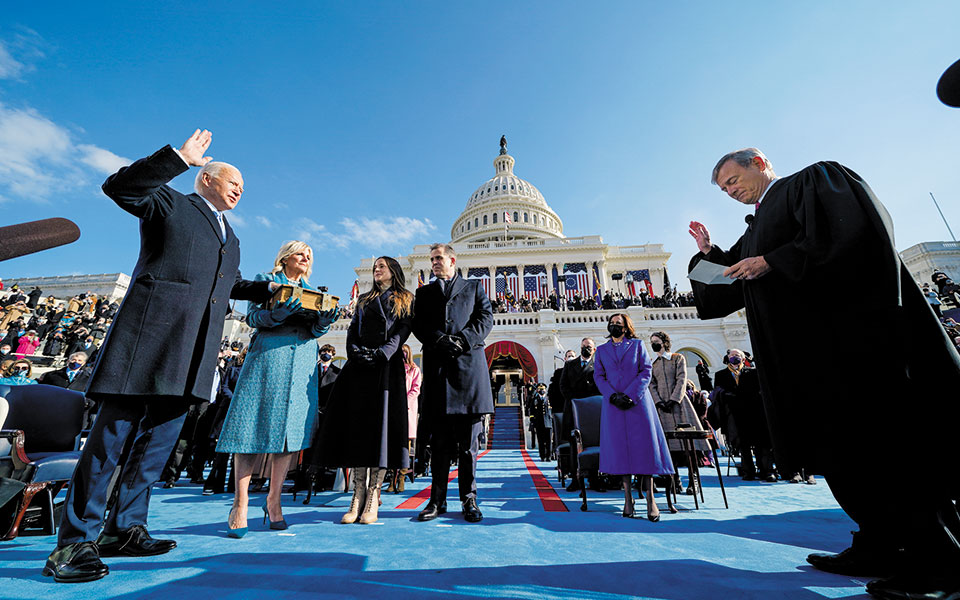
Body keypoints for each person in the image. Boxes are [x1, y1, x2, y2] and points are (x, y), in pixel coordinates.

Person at [688, 147, 960, 598]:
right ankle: (878, 544)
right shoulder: (755, 229)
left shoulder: (814, 182)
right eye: (723, 189)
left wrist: (774, 261)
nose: (730, 192)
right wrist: (711, 255)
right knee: (843, 458)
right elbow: (726, 289)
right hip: (804, 364)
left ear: (758, 161)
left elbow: (858, 237)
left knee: (886, 456)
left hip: (851, 353)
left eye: (733, 180)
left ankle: (943, 565)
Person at [43, 130, 277, 584]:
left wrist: (267, 289)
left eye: (243, 188)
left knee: (155, 447)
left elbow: (224, 287)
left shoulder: (231, 237)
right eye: (232, 181)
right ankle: (74, 541)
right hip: (147, 343)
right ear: (206, 178)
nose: (239, 190)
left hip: (192, 353)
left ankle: (125, 528)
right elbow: (120, 187)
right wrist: (177, 158)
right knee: (110, 443)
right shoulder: (170, 202)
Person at [217, 240, 337, 536]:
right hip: (270, 355)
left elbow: (316, 330)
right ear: (285, 258)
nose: (306, 259)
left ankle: (274, 500)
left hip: (302, 359)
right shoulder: (266, 281)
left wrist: (323, 322)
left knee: (289, 433)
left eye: (310, 255)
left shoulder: (315, 291)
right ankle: (240, 503)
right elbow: (253, 317)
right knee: (250, 427)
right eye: (301, 253)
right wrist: (276, 315)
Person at [313, 256, 412, 524]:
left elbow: (402, 332)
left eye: (381, 266)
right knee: (358, 430)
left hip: (386, 369)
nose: (377, 270)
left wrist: (382, 354)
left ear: (393, 270)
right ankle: (356, 494)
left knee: (380, 432)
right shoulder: (364, 300)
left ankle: (373, 496)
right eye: (375, 267)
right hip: (358, 370)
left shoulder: (405, 298)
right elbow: (352, 332)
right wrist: (356, 354)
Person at [412, 243, 494, 523]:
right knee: (440, 446)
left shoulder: (473, 287)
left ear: (452, 260)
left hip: (468, 372)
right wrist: (438, 339)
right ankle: (437, 500)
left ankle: (468, 499)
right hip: (438, 374)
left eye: (439, 258)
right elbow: (418, 324)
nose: (434, 263)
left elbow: (485, 318)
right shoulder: (423, 293)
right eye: (432, 259)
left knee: (469, 447)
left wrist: (462, 339)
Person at [593, 313, 674, 520]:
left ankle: (650, 499)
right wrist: (612, 395)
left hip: (638, 403)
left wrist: (631, 395)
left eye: (618, 324)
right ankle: (628, 497)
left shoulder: (637, 345)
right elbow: (599, 376)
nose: (614, 327)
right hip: (613, 405)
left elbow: (646, 371)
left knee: (644, 449)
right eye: (611, 324)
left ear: (626, 327)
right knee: (621, 451)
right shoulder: (601, 351)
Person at [648, 331, 709, 494]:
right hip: (663, 408)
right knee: (669, 446)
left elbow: (682, 379)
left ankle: (693, 479)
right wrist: (659, 401)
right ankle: (675, 480)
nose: (654, 343)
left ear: (664, 342)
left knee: (690, 445)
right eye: (652, 341)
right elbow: (651, 385)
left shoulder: (677, 358)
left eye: (657, 340)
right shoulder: (653, 364)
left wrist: (674, 399)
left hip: (680, 405)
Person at [712, 348, 775, 482]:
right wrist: (727, 395)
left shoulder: (753, 373)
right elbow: (717, 392)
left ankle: (766, 471)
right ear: (727, 358)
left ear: (743, 358)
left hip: (754, 413)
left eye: (738, 355)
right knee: (743, 445)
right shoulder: (721, 375)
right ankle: (748, 472)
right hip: (734, 415)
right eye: (732, 355)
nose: (735, 357)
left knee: (761, 444)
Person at [559, 338, 602, 492]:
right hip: (573, 409)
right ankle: (575, 479)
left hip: (592, 412)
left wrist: (590, 402)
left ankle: (594, 479)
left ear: (594, 349)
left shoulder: (598, 366)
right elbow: (563, 386)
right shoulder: (570, 364)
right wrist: (576, 400)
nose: (586, 349)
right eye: (583, 346)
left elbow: (601, 386)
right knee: (573, 445)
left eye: (589, 347)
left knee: (593, 443)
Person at [389, 343, 421, 493]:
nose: (403, 355)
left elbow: (415, 389)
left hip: (407, 411)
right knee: (392, 447)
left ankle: (401, 478)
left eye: (405, 352)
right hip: (393, 411)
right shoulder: (393, 369)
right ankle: (391, 480)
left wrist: (403, 401)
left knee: (405, 449)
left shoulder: (415, 369)